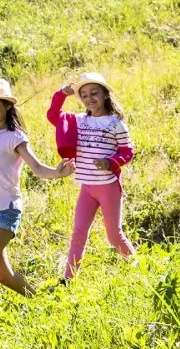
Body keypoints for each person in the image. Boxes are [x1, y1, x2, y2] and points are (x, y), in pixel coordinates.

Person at [0, 77, 75, 307]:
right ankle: (42, 303)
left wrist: (57, 172)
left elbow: (37, 167)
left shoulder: (15, 137)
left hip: (5, 208)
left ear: (7, 105)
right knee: (2, 274)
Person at [47, 72, 135, 279]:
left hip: (108, 187)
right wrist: (62, 94)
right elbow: (53, 116)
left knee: (114, 236)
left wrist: (110, 163)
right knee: (78, 234)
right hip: (87, 187)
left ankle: (136, 266)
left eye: (94, 93)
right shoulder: (77, 121)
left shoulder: (115, 123)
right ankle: (69, 279)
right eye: (84, 95)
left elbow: (127, 151)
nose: (89, 98)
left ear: (105, 94)